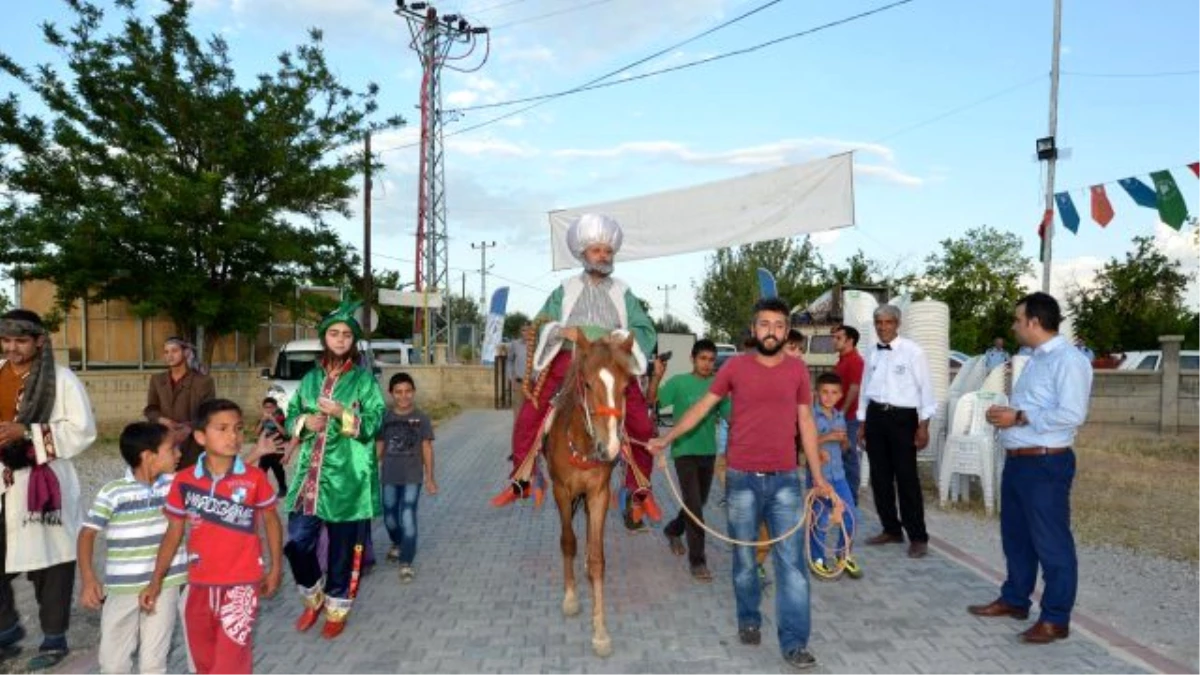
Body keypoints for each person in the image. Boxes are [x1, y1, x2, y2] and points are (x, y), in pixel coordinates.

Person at [650, 297, 831, 671]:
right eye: (765, 324)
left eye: (779, 325)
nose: (772, 331)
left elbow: (807, 423)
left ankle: (794, 642)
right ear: (754, 329)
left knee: (792, 567)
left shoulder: (798, 371)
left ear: (785, 331)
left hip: (786, 483)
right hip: (742, 481)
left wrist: (817, 477)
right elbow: (702, 407)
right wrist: (666, 439)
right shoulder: (734, 367)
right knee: (745, 559)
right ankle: (749, 618)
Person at [492, 213, 659, 532]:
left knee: (639, 419)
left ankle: (638, 488)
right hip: (569, 357)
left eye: (608, 251)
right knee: (532, 410)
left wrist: (621, 337)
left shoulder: (623, 292)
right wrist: (558, 330)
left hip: (610, 359)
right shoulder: (565, 290)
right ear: (583, 254)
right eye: (597, 251)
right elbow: (540, 321)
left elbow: (644, 328)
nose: (603, 256)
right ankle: (522, 477)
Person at [969, 292, 1092, 645]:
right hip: (1020, 461)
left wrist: (1018, 416)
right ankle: (1015, 599)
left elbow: (1072, 414)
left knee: (1052, 544)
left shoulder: (1069, 361)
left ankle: (1055, 619)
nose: (1013, 325)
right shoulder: (1033, 358)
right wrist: (1006, 416)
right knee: (1017, 538)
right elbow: (1034, 408)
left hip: (1046, 463)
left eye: (1017, 319)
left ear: (1034, 322)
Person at [140, 399, 282, 675]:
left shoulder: (254, 478)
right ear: (200, 437)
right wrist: (155, 581)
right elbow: (173, 534)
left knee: (230, 665)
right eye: (223, 429)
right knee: (204, 664)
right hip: (199, 586)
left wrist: (276, 567)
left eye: (239, 429)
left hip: (241, 585)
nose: (234, 436)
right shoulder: (184, 481)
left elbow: (271, 521)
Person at [0, 309, 97, 670]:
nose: (12, 348)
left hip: (43, 481)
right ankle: (6, 629)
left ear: (39, 341)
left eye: (20, 340)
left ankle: (53, 639)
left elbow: (83, 430)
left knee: (51, 565)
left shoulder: (62, 379)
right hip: (2, 480)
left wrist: (26, 432)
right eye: (6, 340)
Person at [283, 298, 385, 639]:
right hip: (308, 480)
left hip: (348, 480)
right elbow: (290, 416)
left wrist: (342, 412)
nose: (340, 339)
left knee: (342, 552)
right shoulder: (309, 379)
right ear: (324, 338)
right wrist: (303, 423)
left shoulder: (364, 381)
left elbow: (373, 422)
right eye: (334, 333)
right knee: (297, 544)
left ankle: (337, 609)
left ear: (353, 342)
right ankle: (313, 598)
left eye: (346, 335)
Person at [78, 422, 187, 675]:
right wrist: (88, 578)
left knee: (154, 662)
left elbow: (216, 482)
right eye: (172, 448)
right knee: (113, 662)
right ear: (148, 457)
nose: (179, 454)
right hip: (122, 588)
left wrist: (255, 455)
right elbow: (87, 534)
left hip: (165, 585)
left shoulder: (176, 485)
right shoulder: (113, 493)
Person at [857, 304, 936, 559]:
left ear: (897, 324)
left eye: (888, 322)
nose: (883, 327)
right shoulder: (871, 352)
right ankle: (891, 529)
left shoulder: (914, 352)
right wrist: (862, 422)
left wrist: (923, 426)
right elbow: (864, 388)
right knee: (880, 477)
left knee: (906, 478)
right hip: (876, 416)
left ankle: (918, 536)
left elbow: (926, 390)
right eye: (878, 323)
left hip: (904, 418)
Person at [648, 339, 729, 582]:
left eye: (711, 360)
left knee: (699, 502)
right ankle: (698, 560)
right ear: (693, 359)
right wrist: (656, 377)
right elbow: (652, 400)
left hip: (708, 452)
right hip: (683, 451)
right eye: (703, 359)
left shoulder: (719, 386)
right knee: (694, 506)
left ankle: (673, 530)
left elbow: (731, 416)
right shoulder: (680, 382)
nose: (707, 364)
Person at [376, 372, 437, 583]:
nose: (404, 396)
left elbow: (427, 448)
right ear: (391, 394)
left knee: (408, 516)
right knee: (390, 517)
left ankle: (406, 562)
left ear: (414, 392)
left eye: (408, 391)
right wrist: (367, 472)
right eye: (399, 392)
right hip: (389, 476)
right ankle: (398, 542)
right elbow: (380, 445)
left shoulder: (421, 418)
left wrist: (430, 478)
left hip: (413, 476)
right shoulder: (385, 417)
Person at [807, 373, 861, 580]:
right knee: (820, 519)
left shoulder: (839, 416)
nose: (829, 397)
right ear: (817, 394)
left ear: (840, 395)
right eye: (825, 392)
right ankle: (817, 559)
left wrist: (845, 440)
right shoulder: (811, 415)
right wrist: (828, 437)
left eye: (834, 393)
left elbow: (844, 447)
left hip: (839, 477)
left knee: (850, 517)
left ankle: (843, 555)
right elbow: (807, 443)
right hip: (819, 477)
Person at [144, 337, 216, 470]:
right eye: (166, 352)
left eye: (174, 351)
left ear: (187, 352)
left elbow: (210, 412)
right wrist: (162, 420)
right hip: (164, 442)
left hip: (193, 445)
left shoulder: (203, 381)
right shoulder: (157, 380)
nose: (169, 355)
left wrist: (189, 427)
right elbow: (150, 409)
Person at [831, 325, 864, 505]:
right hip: (840, 416)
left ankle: (851, 500)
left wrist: (842, 413)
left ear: (850, 340)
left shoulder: (855, 361)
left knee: (849, 457)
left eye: (838, 337)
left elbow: (854, 388)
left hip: (849, 417)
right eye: (834, 337)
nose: (834, 340)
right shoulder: (842, 361)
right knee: (841, 457)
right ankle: (843, 498)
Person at [254, 397, 289, 496]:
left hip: (277, 447)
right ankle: (262, 490)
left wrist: (274, 421)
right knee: (262, 470)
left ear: (276, 407)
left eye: (271, 407)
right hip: (264, 448)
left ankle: (283, 488)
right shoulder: (262, 419)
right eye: (266, 407)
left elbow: (285, 433)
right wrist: (261, 422)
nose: (269, 410)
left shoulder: (281, 418)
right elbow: (256, 433)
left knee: (278, 470)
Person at [506, 323, 533, 422]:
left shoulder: (537, 345)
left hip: (533, 384)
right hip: (519, 383)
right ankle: (517, 436)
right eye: (524, 330)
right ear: (520, 332)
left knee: (531, 414)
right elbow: (509, 361)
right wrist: (510, 377)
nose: (526, 333)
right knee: (518, 415)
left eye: (529, 330)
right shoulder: (515, 344)